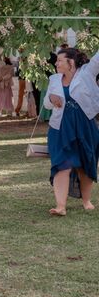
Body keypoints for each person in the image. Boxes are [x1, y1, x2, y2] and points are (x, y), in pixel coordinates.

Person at [44, 47, 99, 216]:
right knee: (62, 165)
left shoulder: (87, 73)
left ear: (71, 62)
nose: (56, 63)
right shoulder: (54, 79)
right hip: (59, 128)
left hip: (85, 126)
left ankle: (86, 200)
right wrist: (51, 99)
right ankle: (60, 206)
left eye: (60, 60)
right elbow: (46, 104)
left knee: (85, 164)